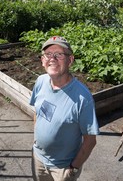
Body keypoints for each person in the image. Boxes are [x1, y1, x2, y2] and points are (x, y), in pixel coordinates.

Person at [30, 36, 99, 181]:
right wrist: (37, 140)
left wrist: (73, 167)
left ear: (70, 60)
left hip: (62, 169)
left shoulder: (82, 98)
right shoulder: (40, 82)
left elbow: (90, 140)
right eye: (48, 54)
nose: (52, 58)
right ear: (43, 60)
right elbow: (38, 112)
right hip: (38, 159)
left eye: (59, 54)